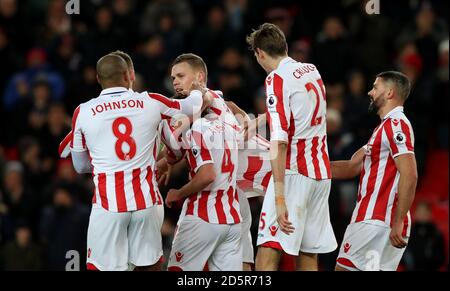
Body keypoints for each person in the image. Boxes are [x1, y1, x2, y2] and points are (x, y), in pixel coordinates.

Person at [69, 53, 206, 271]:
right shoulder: (150, 101)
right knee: (149, 266)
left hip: (108, 205)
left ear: (98, 79)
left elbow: (80, 166)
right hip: (147, 202)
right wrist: (200, 88)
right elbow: (192, 107)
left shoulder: (83, 111)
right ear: (129, 75)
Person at [159, 53, 272, 270]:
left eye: (181, 75)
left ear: (200, 77)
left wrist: (171, 155)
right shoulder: (219, 107)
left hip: (210, 204)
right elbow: (223, 105)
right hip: (232, 202)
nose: (174, 81)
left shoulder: (202, 106)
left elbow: (206, 100)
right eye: (173, 77)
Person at [246, 23, 337, 271]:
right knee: (308, 254)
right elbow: (301, 106)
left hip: (294, 172)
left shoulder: (275, 78)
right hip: (320, 174)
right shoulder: (311, 69)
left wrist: (278, 197)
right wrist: (262, 119)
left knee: (268, 250)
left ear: (260, 53)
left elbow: (280, 141)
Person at [331, 71, 418, 271]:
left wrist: (399, 219)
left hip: (375, 220)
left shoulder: (396, 124)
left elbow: (410, 174)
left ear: (389, 93)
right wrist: (305, 166)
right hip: (380, 222)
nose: (370, 92)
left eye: (375, 87)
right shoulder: (384, 128)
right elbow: (352, 167)